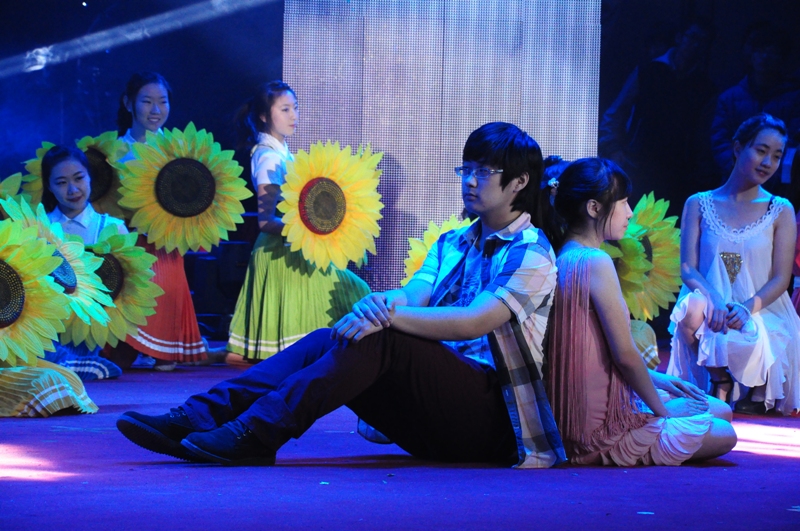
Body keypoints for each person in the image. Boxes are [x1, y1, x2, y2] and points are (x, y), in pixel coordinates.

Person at [116, 122, 565, 468]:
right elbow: (414, 294)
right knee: (328, 337)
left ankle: (256, 433)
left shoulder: (531, 251)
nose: (469, 181)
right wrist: (379, 305)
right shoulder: (453, 242)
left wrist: (385, 319)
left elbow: (475, 321)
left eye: (484, 171)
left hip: (494, 421)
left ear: (519, 182)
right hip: (437, 410)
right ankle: (200, 415)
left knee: (381, 336)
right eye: (466, 169)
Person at [543, 157, 737, 466]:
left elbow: (598, 355)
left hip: (577, 417)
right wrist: (662, 409)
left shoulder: (565, 254)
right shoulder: (595, 261)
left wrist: (658, 380)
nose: (630, 212)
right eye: (623, 202)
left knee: (720, 409)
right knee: (725, 431)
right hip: (597, 430)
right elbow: (624, 355)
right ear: (594, 208)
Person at [223, 81, 370, 362]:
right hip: (280, 253)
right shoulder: (268, 157)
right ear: (264, 116)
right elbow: (266, 221)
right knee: (352, 295)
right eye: (285, 109)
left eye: (295, 108)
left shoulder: (283, 153)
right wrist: (310, 229)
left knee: (353, 292)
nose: (294, 115)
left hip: (296, 249)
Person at [668, 114, 800, 416]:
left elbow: (781, 278)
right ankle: (720, 378)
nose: (767, 162)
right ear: (738, 148)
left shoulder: (779, 210)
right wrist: (713, 297)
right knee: (690, 308)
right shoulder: (698, 203)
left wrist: (746, 307)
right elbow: (687, 268)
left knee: (753, 337)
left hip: (761, 310)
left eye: (776, 156)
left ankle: (752, 389)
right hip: (710, 308)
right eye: (761, 150)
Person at [112, 71, 207, 370]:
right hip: (127, 246)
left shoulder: (180, 149)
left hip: (167, 246)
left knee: (165, 362)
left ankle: (164, 347)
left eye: (162, 102)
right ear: (128, 103)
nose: (156, 110)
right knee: (116, 359)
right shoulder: (112, 152)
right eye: (147, 101)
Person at [40, 145, 128, 380]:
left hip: (91, 326)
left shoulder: (113, 227)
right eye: (61, 183)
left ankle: (67, 365)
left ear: (90, 177)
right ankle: (66, 364)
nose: (73, 189)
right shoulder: (39, 229)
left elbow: (128, 291)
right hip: (48, 326)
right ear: (49, 186)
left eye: (79, 178)